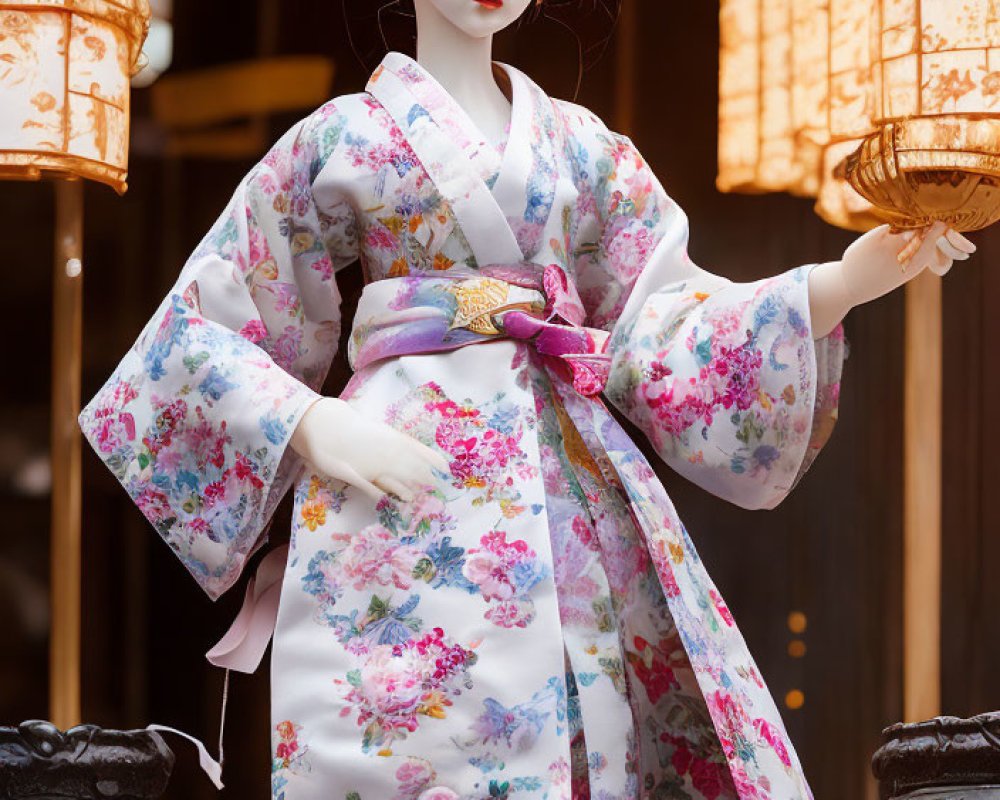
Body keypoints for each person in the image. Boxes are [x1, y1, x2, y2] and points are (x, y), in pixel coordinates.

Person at [79, 1, 975, 798]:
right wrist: (307, 421)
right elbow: (207, 323)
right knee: (406, 732)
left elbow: (663, 319)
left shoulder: (584, 149)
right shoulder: (342, 137)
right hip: (396, 480)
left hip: (567, 485)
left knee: (590, 727)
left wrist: (834, 284)